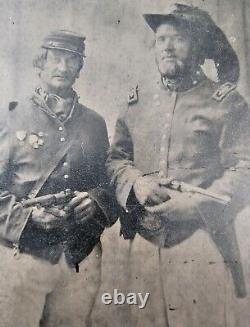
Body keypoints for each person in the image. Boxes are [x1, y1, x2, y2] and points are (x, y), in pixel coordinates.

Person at [106, 3, 250, 326]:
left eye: (179, 39)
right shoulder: (136, 103)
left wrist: (195, 205)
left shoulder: (227, 104)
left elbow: (245, 170)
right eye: (161, 40)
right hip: (143, 243)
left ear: (198, 47)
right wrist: (135, 183)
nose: (167, 47)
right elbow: (116, 160)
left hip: (201, 243)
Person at [0, 30, 117, 327]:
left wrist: (94, 201)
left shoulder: (94, 123)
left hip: (78, 259)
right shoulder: (10, 118)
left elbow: (110, 184)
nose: (63, 68)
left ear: (79, 68)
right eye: (56, 59)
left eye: (72, 60)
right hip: (23, 258)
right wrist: (27, 217)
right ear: (41, 62)